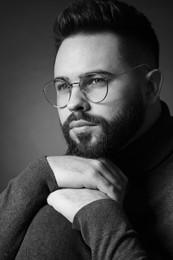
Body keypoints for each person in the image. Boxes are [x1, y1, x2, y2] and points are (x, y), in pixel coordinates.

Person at [0, 0, 173, 259]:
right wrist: (39, 174)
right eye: (63, 86)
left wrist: (99, 219)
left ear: (149, 88)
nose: (73, 103)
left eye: (95, 81)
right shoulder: (70, 174)